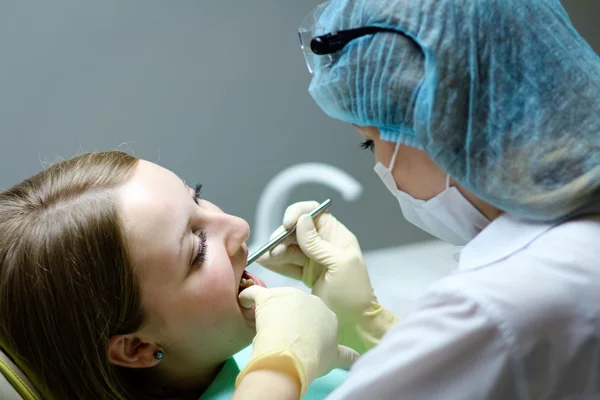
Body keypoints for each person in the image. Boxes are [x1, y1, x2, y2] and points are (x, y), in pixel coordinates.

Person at [257, 0, 600, 398]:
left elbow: (488, 342)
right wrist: (368, 323)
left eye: (370, 143)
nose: (380, 167)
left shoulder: (497, 309)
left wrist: (276, 362)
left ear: (442, 122)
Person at [0, 151, 358, 400]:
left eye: (198, 200)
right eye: (198, 250)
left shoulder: (244, 353)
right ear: (137, 347)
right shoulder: (274, 367)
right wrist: (279, 371)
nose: (240, 227)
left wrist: (364, 324)